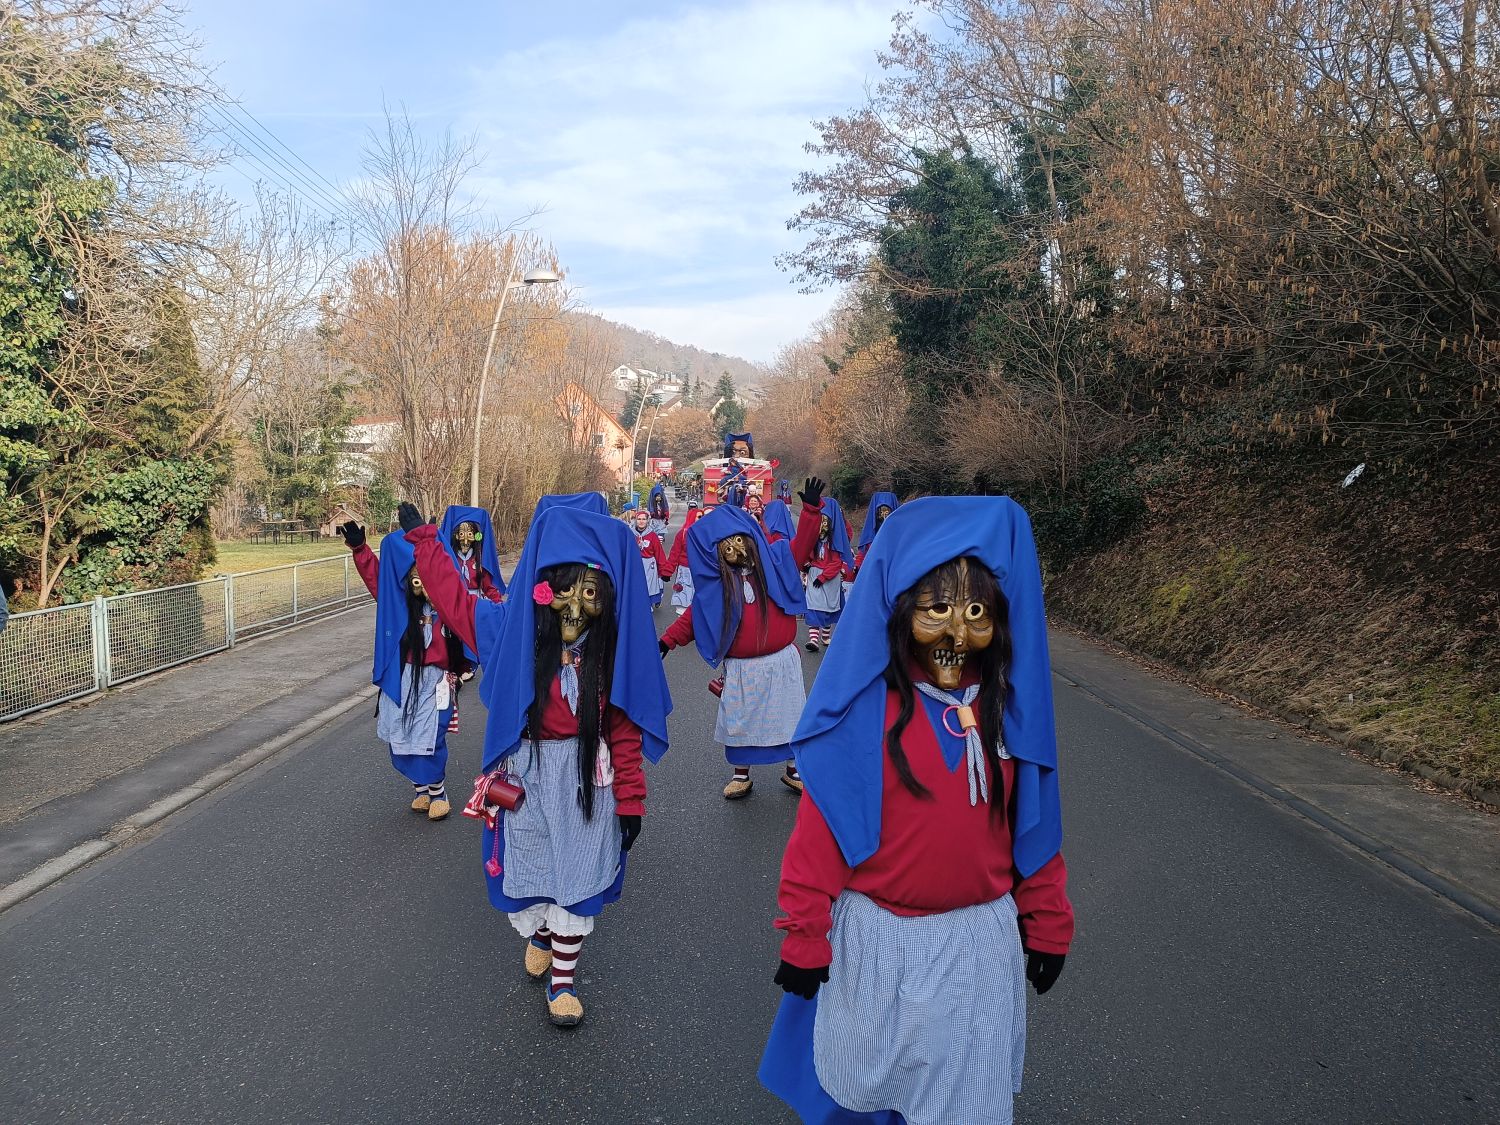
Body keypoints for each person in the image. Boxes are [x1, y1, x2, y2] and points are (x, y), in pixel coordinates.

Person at [758, 496, 1074, 1124]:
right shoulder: (866, 714)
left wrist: (1047, 916)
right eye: (937, 610)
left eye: (977, 613)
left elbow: (1032, 822)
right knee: (867, 1095)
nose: (957, 635)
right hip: (879, 942)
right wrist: (804, 933)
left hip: (977, 951)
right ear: (900, 611)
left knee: (962, 1099)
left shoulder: (1005, 710)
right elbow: (820, 835)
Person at [406, 501, 671, 1028]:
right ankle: (543, 935)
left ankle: (563, 981)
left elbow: (623, 729)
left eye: (590, 594)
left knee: (577, 876)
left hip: (587, 780)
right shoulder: (512, 631)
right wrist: (426, 544)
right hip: (525, 775)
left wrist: (632, 800)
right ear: (541, 590)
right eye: (564, 591)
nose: (574, 609)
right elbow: (456, 603)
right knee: (530, 869)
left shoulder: (610, 651)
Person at [659, 497, 821, 799]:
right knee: (740, 721)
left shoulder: (776, 563)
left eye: (738, 540)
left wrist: (811, 512)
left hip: (780, 663)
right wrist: (667, 640)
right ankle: (741, 774)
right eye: (727, 547)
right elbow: (697, 615)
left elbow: (802, 545)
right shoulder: (719, 586)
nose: (735, 550)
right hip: (742, 668)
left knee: (788, 716)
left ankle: (793, 769)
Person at [341, 518, 462, 821]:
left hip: (436, 679)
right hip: (403, 676)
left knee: (430, 736)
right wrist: (360, 549)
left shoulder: (449, 606)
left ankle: (438, 793)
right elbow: (377, 579)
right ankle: (421, 789)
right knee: (400, 733)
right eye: (416, 579)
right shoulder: (399, 606)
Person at [801, 492, 853, 653]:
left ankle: (825, 636)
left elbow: (837, 562)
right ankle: (813, 640)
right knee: (813, 606)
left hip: (830, 577)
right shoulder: (814, 540)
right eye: (820, 522)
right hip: (814, 573)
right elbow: (803, 552)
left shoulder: (834, 542)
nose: (822, 526)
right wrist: (806, 565)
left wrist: (824, 577)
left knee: (829, 606)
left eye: (825, 522)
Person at [665, 499, 704, 616]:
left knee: (699, 601)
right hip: (685, 571)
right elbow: (674, 554)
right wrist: (668, 571)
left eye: (702, 517)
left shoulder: (706, 535)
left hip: (700, 572)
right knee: (683, 598)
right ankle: (681, 619)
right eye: (699, 517)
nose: (701, 519)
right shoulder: (682, 534)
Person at [631, 508, 671, 610]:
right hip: (635, 564)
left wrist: (663, 570)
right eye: (639, 519)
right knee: (636, 586)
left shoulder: (653, 536)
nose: (641, 521)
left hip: (649, 565)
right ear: (636, 520)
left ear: (647, 521)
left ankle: (648, 604)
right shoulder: (631, 535)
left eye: (644, 519)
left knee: (648, 586)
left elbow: (659, 554)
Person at [853, 492, 899, 575]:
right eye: (881, 512)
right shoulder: (870, 534)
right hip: (874, 573)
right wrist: (857, 566)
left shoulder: (899, 535)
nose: (884, 515)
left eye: (887, 512)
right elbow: (863, 553)